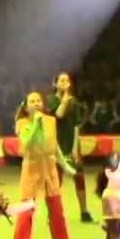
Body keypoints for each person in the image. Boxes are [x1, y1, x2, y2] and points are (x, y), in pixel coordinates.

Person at [12, 91, 78, 239]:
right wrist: (36, 123)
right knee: (26, 211)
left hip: (50, 168)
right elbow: (26, 142)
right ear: (26, 107)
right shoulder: (23, 123)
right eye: (32, 101)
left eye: (38, 100)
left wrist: (65, 166)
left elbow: (54, 146)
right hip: (31, 168)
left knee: (57, 210)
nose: (36, 103)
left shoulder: (51, 121)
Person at [46, 72, 95, 223]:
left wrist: (74, 148)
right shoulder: (50, 99)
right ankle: (53, 214)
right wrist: (65, 99)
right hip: (55, 145)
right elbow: (58, 115)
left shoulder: (74, 102)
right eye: (61, 80)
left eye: (67, 80)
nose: (64, 83)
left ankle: (84, 212)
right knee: (56, 180)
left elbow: (76, 126)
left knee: (79, 176)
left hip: (71, 144)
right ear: (55, 84)